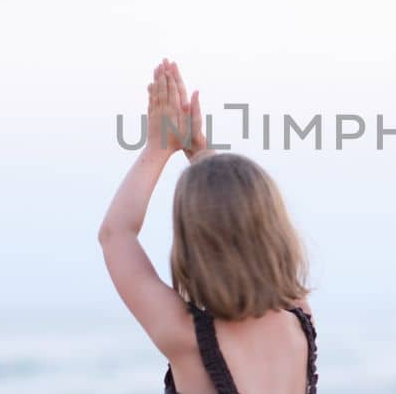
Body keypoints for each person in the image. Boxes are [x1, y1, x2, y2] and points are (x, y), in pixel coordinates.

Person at [98, 60, 318, 394]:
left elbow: (116, 234)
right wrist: (201, 151)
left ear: (193, 247)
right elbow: (241, 216)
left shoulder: (187, 339)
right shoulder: (300, 322)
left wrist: (159, 145)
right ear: (275, 234)